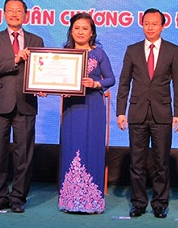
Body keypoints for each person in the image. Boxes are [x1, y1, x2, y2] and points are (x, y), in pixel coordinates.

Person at [116, 8, 178, 219]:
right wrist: (120, 112)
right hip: (136, 113)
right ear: (142, 24)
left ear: (163, 26)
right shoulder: (132, 50)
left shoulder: (173, 50)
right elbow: (124, 82)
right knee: (136, 162)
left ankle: (160, 203)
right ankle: (138, 202)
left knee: (161, 162)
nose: (150, 27)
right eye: (147, 23)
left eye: (155, 23)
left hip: (163, 114)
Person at [0, 0, 44, 213]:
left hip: (26, 103)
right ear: (4, 13)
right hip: (1, 104)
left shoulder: (36, 40)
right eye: (10, 10)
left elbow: (41, 71)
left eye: (19, 11)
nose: (15, 14)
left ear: (26, 15)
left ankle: (18, 197)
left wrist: (42, 85)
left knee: (24, 154)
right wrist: (15, 60)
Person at [58, 12, 115, 213]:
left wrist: (96, 83)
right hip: (72, 109)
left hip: (93, 106)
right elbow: (54, 78)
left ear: (92, 32)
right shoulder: (63, 53)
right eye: (77, 28)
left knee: (91, 147)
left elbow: (111, 79)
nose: (80, 32)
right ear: (71, 31)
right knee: (72, 147)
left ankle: (92, 201)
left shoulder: (98, 53)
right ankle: (69, 201)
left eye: (85, 28)